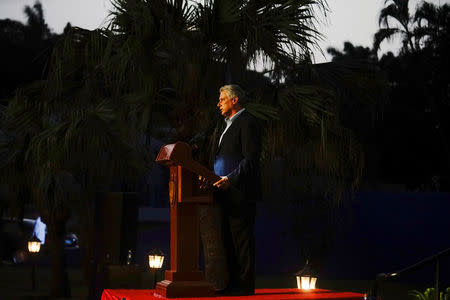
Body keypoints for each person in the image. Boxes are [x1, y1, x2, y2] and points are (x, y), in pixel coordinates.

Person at [212, 84, 262, 296]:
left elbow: (250, 160)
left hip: (240, 193)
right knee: (228, 241)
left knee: (241, 241)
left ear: (235, 100)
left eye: (222, 99)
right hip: (224, 194)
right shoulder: (224, 126)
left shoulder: (247, 122)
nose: (218, 103)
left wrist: (230, 179)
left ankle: (244, 287)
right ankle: (232, 284)